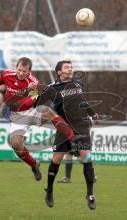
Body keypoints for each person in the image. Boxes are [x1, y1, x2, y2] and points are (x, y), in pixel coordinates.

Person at [0, 57, 76, 182]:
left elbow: (30, 101)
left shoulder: (33, 82)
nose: (21, 73)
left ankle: (74, 139)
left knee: (50, 112)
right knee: (16, 145)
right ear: (16, 67)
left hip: (31, 111)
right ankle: (34, 165)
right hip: (18, 116)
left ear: (29, 71)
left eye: (24, 71)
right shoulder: (7, 74)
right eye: (19, 70)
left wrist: (26, 92)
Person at [36, 60, 98, 210]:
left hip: (81, 125)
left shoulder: (77, 84)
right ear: (59, 72)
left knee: (87, 157)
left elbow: (82, 101)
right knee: (57, 159)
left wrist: (92, 113)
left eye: (71, 67)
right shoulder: (52, 88)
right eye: (66, 67)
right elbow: (38, 104)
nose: (70, 69)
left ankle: (90, 194)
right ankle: (49, 190)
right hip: (63, 127)